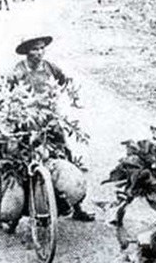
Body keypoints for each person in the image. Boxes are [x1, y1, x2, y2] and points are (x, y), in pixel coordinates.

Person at [6, 36, 95, 223]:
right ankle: (17, 213)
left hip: (49, 120)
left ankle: (77, 206)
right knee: (22, 163)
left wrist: (63, 97)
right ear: (27, 51)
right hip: (27, 123)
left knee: (66, 157)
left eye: (41, 48)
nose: (39, 52)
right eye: (34, 49)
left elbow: (64, 82)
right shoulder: (18, 71)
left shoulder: (49, 67)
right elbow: (8, 95)